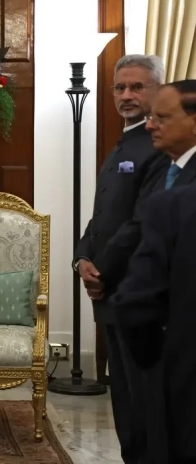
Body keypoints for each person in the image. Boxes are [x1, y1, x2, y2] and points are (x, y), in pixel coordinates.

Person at [71, 54, 165, 463]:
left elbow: (141, 220)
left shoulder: (158, 145)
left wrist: (102, 270)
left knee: (144, 399)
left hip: (135, 290)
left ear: (158, 90)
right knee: (123, 396)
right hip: (109, 291)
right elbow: (103, 215)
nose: (127, 95)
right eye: (120, 87)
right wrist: (81, 258)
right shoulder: (123, 142)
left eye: (137, 87)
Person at [104, 79, 196, 463]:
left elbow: (135, 304)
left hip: (177, 357)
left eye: (162, 117)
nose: (151, 124)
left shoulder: (174, 203)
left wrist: (152, 360)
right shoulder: (162, 168)